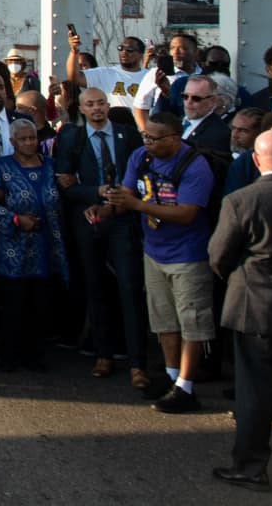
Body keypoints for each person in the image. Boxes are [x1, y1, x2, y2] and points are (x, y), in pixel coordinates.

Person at [102, 110, 219, 413]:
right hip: (154, 250)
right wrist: (108, 204)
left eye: (154, 138)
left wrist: (137, 205)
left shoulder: (195, 166)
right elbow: (127, 193)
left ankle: (186, 386)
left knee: (192, 322)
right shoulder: (140, 157)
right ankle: (169, 375)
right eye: (145, 136)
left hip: (188, 255)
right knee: (164, 319)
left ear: (174, 138)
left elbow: (186, 213)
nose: (148, 143)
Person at [208, 128, 272, 490]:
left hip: (256, 307)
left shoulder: (242, 200)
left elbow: (219, 255)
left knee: (255, 394)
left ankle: (250, 468)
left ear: (256, 161)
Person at [55, 87, 148, 387]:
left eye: (101, 104)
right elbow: (65, 184)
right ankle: (103, 354)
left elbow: (138, 175)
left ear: (108, 106)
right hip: (88, 219)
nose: (97, 109)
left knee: (129, 288)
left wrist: (114, 201)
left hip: (122, 218)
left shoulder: (128, 134)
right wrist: (94, 192)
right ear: (81, 109)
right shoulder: (70, 137)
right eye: (90, 105)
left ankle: (138, 363)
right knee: (95, 288)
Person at [0, 119, 67, 372]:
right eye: (23, 139)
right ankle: (9, 355)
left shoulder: (50, 167)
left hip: (46, 246)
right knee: (13, 305)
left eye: (33, 138)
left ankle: (36, 355)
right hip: (13, 248)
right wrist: (16, 219)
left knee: (40, 304)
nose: (29, 143)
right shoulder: (1, 168)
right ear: (12, 142)